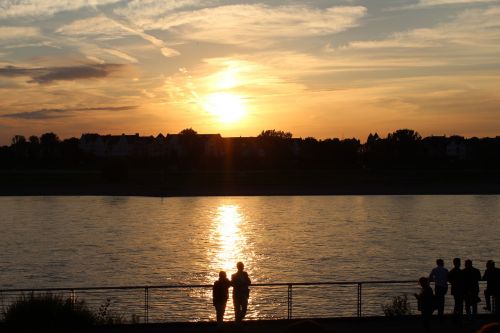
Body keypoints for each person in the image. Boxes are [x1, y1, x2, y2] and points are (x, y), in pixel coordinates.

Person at [448, 257, 465, 322]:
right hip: (460, 289)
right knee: (460, 304)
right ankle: (458, 316)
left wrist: (453, 283)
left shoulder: (452, 271)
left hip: (455, 289)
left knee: (457, 303)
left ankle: (456, 316)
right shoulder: (461, 271)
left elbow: (449, 279)